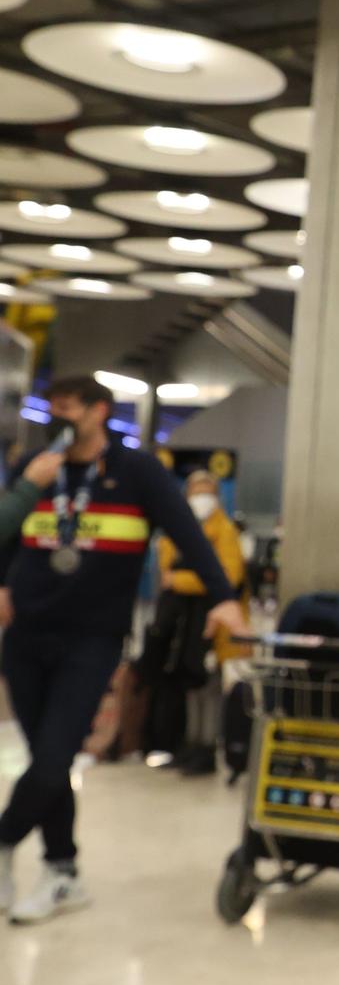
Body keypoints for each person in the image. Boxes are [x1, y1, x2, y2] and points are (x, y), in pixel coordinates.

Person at [0, 377, 247, 923]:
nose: (58, 420)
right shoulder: (37, 470)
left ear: (99, 412)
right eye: (54, 410)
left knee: (53, 757)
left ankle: (4, 841)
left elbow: (188, 534)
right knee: (47, 756)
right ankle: (63, 873)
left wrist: (225, 597)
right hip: (26, 635)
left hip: (92, 639)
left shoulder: (137, 473)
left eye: (69, 410)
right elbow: (8, 536)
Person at [139, 470, 247, 774]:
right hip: (182, 626)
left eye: (207, 491)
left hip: (214, 624)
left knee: (208, 688)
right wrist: (189, 580)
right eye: (195, 491)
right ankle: (187, 744)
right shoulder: (176, 531)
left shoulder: (225, 531)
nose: (202, 498)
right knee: (186, 685)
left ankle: (207, 747)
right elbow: (164, 572)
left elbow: (227, 578)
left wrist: (181, 579)